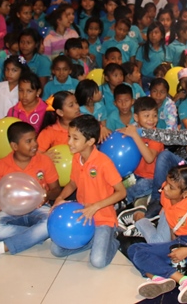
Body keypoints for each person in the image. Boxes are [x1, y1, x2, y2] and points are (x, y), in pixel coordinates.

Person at [0, 121, 60, 260]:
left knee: (51, 223)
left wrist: (46, 195)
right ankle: (40, 235)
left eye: (35, 139)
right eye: (29, 141)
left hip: (39, 208)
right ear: (14, 146)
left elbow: (56, 190)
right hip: (11, 211)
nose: (35, 144)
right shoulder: (2, 165)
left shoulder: (44, 160)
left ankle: (1, 247)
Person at [127, 163, 187, 303]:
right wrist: (170, 244)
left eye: (171, 187)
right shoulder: (166, 196)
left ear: (185, 193)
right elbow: (172, 221)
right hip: (179, 242)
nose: (165, 188)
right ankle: (157, 278)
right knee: (132, 249)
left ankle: (185, 281)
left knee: (140, 254)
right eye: (166, 183)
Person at [51, 114, 126, 268]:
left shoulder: (103, 162)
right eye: (69, 136)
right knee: (57, 250)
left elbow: (121, 192)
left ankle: (113, 238)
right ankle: (95, 241)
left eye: (75, 138)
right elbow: (73, 183)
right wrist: (59, 198)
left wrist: (95, 206)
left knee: (98, 261)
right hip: (83, 216)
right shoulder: (76, 158)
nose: (69, 142)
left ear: (90, 141)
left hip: (103, 218)